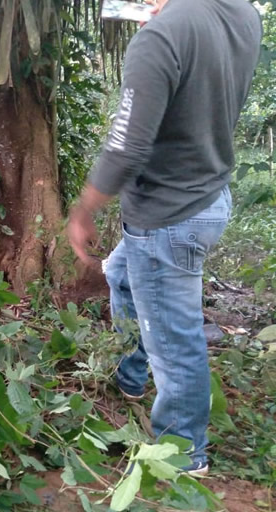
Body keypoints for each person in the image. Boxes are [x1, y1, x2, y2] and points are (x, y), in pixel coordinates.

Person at [67, 0, 261, 476]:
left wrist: (83, 210)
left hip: (168, 214)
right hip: (209, 193)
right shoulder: (242, 13)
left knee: (174, 342)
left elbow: (126, 147)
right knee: (119, 273)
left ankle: (183, 454)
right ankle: (130, 378)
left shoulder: (160, 38)